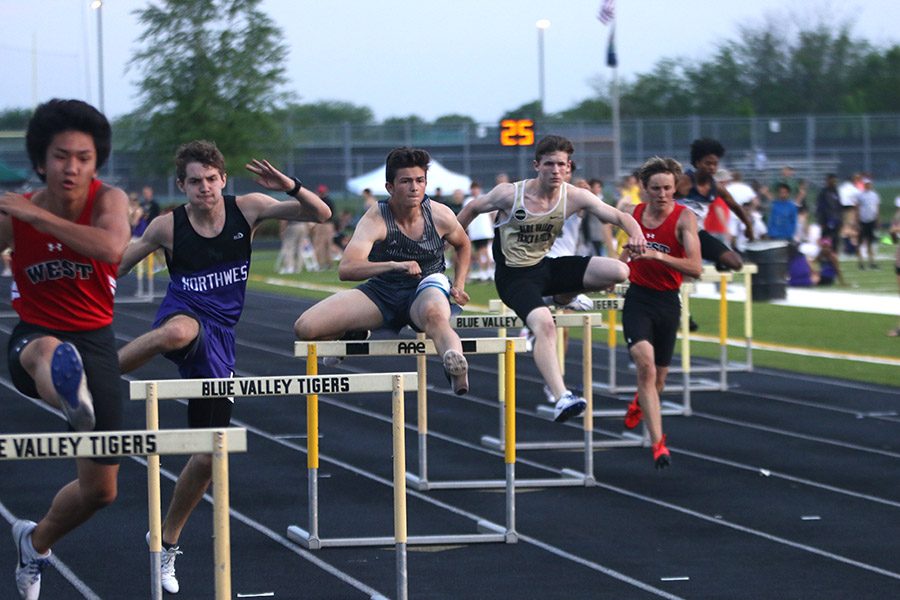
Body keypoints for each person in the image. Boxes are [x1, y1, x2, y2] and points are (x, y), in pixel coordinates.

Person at [116, 140, 331, 594]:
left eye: (211, 179)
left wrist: (288, 184)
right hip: (182, 315)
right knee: (177, 333)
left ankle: (166, 541)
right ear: (182, 185)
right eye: (195, 181)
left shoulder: (249, 208)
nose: (205, 188)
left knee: (208, 454)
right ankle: (101, 374)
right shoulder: (166, 226)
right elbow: (116, 267)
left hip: (221, 340)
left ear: (222, 180)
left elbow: (321, 215)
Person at [0, 99, 131, 600]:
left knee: (102, 491)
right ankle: (66, 391)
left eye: (82, 156)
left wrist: (35, 216)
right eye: (60, 156)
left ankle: (34, 542)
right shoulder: (14, 214)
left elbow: (111, 248)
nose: (71, 167)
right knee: (47, 353)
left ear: (96, 162)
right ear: (41, 159)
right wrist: (21, 216)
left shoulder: (108, 201)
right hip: (33, 334)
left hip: (96, 342)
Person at [457, 135, 646, 423]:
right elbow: (471, 209)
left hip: (547, 268)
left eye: (562, 164)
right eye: (549, 164)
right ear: (537, 165)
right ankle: (561, 397)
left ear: (568, 167)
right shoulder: (510, 194)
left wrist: (636, 233)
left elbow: (619, 216)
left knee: (619, 271)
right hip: (514, 278)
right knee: (545, 325)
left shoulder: (574, 196)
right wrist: (451, 240)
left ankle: (562, 296)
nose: (556, 170)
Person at [293, 147, 473, 394]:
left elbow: (463, 244)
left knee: (435, 315)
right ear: (390, 187)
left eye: (420, 181)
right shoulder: (376, 219)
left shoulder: (440, 215)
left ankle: (454, 362)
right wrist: (393, 265)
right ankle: (353, 332)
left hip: (427, 285)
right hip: (383, 291)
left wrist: (459, 284)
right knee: (305, 328)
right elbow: (346, 268)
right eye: (406, 181)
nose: (414, 187)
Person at [618, 156, 702, 468]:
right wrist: (619, 268)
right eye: (656, 188)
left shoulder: (684, 219)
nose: (663, 194)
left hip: (668, 301)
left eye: (668, 188)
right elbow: (626, 251)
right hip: (639, 299)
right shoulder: (634, 214)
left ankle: (642, 400)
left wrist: (656, 255)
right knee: (646, 367)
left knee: (659, 380)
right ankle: (658, 445)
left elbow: (695, 268)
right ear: (644, 189)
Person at [676, 138, 754, 271]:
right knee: (688, 271)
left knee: (735, 263)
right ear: (697, 163)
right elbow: (660, 198)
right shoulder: (684, 182)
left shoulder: (717, 188)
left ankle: (715, 258)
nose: (712, 167)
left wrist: (748, 226)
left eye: (715, 164)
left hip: (697, 232)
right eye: (707, 163)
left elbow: (735, 206)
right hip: (675, 230)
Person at [462, 181, 495, 281]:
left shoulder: (484, 198)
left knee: (485, 251)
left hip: (485, 230)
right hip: (475, 231)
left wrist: (493, 226)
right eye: (473, 189)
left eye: (476, 188)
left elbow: (491, 214)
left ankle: (490, 271)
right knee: (479, 252)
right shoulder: (468, 200)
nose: (475, 191)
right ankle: (483, 271)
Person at [856, 178, 881, 270]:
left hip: (871, 221)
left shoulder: (875, 195)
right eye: (866, 184)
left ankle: (872, 262)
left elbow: (877, 208)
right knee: (860, 243)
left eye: (869, 184)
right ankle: (861, 263)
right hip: (863, 221)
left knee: (870, 243)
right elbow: (857, 209)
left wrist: (878, 220)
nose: (868, 185)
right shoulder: (860, 195)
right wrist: (857, 221)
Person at [816, 174, 842, 251]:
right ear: (827, 181)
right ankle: (824, 255)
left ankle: (834, 255)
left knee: (835, 240)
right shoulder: (823, 193)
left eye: (835, 181)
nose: (834, 182)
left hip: (835, 220)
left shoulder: (836, 192)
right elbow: (820, 208)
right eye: (832, 180)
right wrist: (821, 221)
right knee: (825, 240)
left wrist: (840, 220)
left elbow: (838, 206)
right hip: (826, 220)